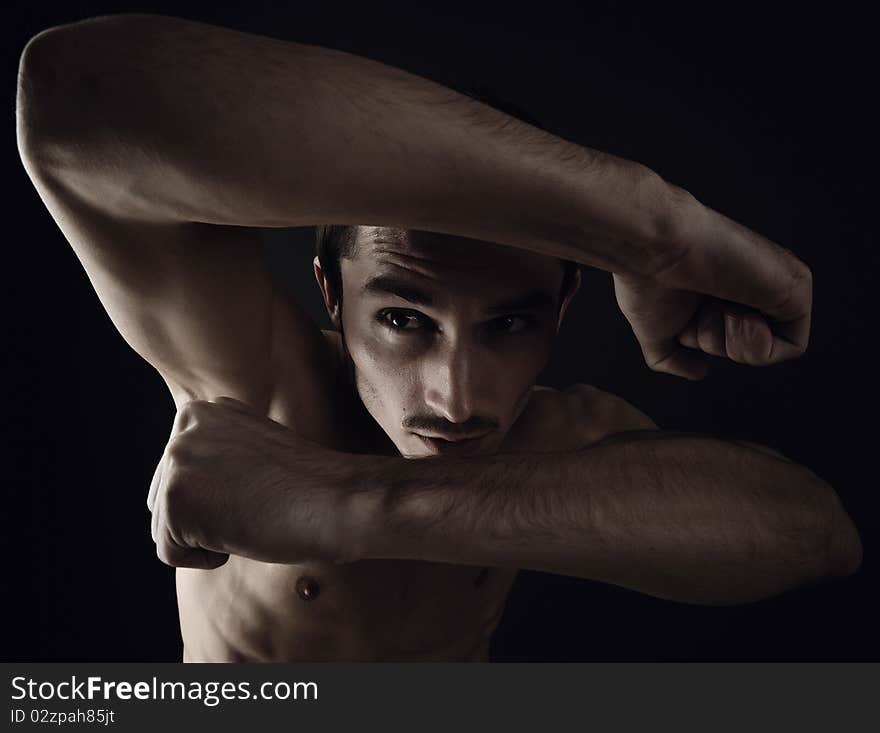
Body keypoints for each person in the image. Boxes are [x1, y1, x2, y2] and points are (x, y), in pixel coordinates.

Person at [17, 13, 862, 662]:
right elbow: (69, 98)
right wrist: (650, 221)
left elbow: (815, 535)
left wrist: (355, 504)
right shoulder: (258, 390)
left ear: (564, 309)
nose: (455, 397)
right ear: (331, 293)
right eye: (404, 319)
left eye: (508, 323)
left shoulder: (561, 438)